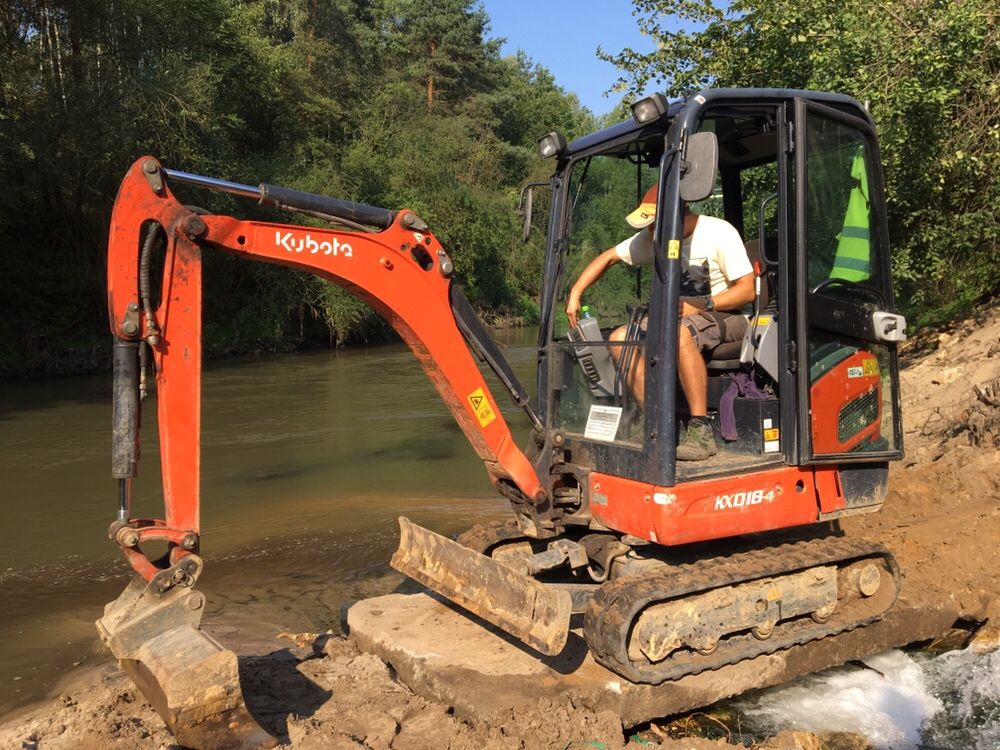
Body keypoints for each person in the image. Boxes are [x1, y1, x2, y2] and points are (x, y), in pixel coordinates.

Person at [565, 184, 755, 461]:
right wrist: (575, 292)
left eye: (655, 225)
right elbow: (608, 258)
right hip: (677, 318)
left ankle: (700, 430)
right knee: (620, 339)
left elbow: (747, 290)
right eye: (650, 226)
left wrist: (703, 304)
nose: (651, 232)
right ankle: (653, 423)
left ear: (679, 214)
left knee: (677, 334)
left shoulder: (719, 232)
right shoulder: (656, 237)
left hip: (729, 315)